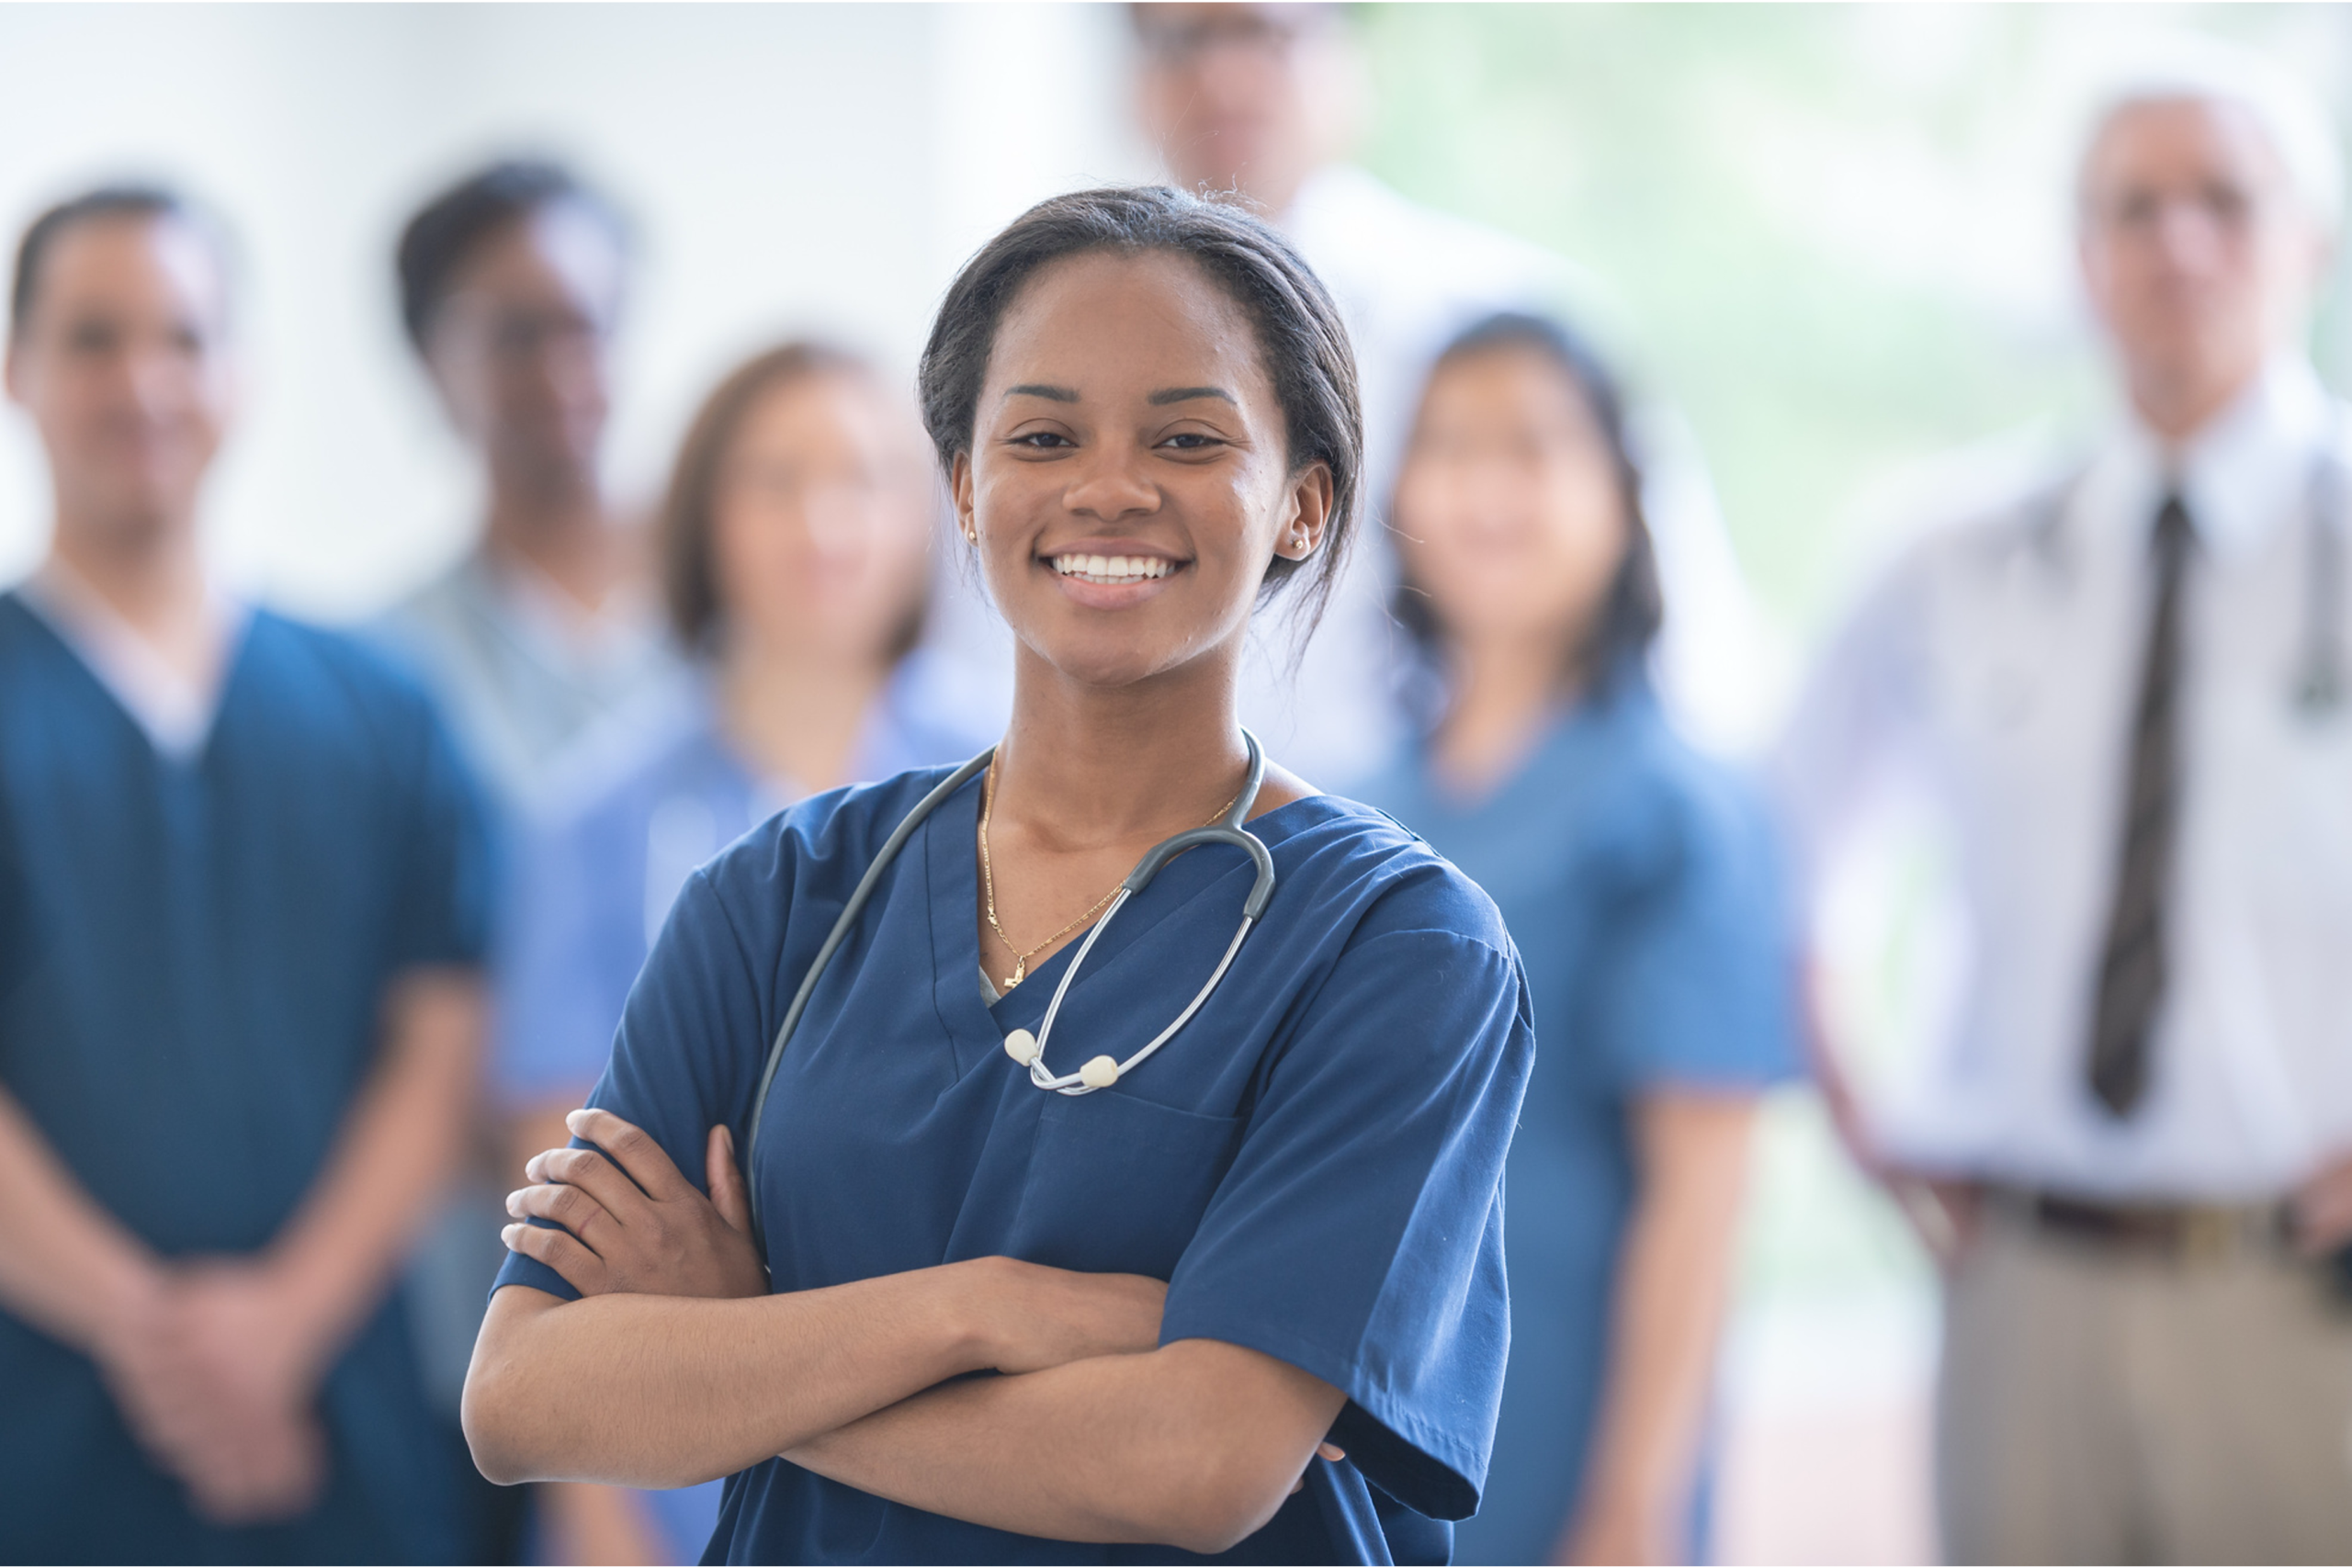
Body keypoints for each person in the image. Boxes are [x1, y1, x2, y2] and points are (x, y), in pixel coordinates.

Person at [460, 186, 1533, 1567]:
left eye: (1188, 436)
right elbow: (526, 1392)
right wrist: (979, 1307)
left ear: (1303, 505)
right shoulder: (781, 895)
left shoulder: (1396, 945)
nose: (1109, 483)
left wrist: (743, 1351)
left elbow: (1197, 1461)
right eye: (1042, 433)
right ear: (964, 485)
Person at [1778, 52, 2352, 1565]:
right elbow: (1783, 846)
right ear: (2080, 255)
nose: (2181, 245)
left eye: (2226, 200)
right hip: (2019, 1285)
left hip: (2304, 1293)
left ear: (2315, 239)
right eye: (2134, 207)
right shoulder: (1943, 555)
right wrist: (1860, 1099)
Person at [0, 187, 492, 1561]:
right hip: (46, 1435)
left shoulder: (382, 709)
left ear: (243, 373)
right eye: (94, 338)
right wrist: (158, 1337)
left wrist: (285, 1318)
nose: (143, 381)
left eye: (184, 336)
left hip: (346, 1423)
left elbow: (440, 1038)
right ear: (15, 369)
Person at [494, 340, 994, 1564]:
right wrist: (596, 1506)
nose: (822, 521)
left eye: (864, 479)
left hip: (966, 1445)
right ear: (703, 513)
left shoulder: (1018, 789)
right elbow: (569, 1203)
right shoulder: (600, 816)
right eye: (775, 479)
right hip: (668, 1460)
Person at [1359, 313, 1797, 1567]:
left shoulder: (1677, 808)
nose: (1488, 486)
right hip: (1350, 1447)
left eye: (1534, 446)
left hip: (1569, 1445)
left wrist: (1635, 1508)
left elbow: (1701, 1198)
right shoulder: (1350, 809)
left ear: (1623, 495)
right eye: (1450, 446)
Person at [1123, 0, 1778, 773]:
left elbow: (1694, 665)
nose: (1223, 76)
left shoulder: (1516, 327)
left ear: (1352, 60)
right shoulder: (1063, 352)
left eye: (1266, 34)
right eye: (1181, 40)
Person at [376, 158, 676, 811]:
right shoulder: (394, 658)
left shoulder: (737, 597)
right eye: (516, 336)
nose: (559, 374)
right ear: (430, 362)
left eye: (585, 327)